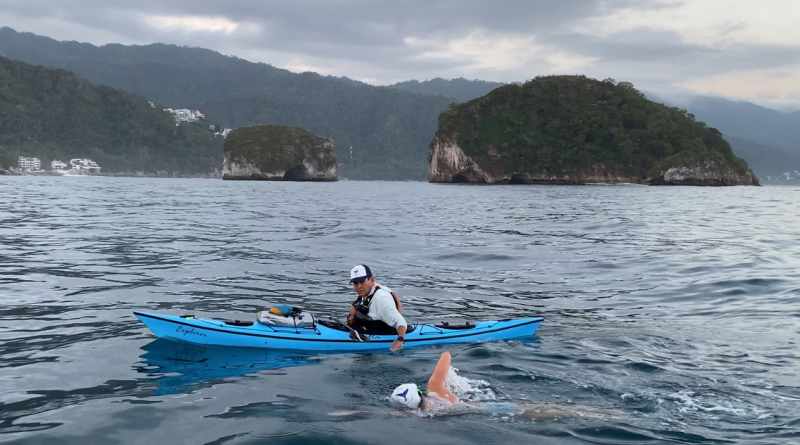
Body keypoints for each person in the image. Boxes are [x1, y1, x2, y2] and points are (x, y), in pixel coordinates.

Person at [390, 351, 621, 420]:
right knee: (554, 410)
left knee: (552, 414)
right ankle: (610, 415)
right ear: (419, 391)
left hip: (480, 414)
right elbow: (446, 355)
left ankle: (605, 416)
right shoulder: (435, 389)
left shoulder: (424, 415)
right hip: (493, 409)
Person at [346, 264, 407, 351]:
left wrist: (400, 339)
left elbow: (401, 323)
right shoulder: (367, 290)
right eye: (355, 283)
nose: (359, 286)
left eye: (362, 281)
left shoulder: (382, 298)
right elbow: (358, 303)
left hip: (384, 331)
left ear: (372, 280)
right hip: (371, 324)